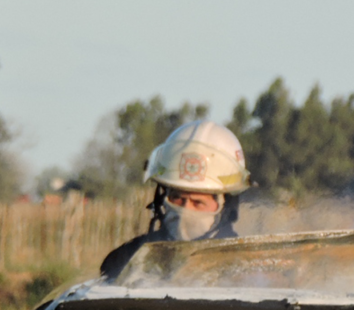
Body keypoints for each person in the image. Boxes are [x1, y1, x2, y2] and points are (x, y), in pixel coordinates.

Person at [100, 119, 252, 280]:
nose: (186, 210)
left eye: (198, 202)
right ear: (162, 199)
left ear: (225, 206)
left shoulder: (247, 266)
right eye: (177, 198)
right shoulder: (127, 261)